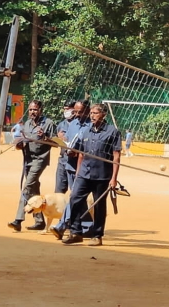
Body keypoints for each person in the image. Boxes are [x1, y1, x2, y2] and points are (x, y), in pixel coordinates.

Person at [63, 103, 121, 247]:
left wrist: (113, 179)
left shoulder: (112, 132)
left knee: (99, 205)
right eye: (91, 113)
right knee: (75, 198)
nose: (92, 116)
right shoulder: (86, 131)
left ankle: (97, 235)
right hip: (84, 173)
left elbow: (116, 156)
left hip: (102, 175)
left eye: (95, 113)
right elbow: (81, 155)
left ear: (103, 115)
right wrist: (77, 173)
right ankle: (76, 232)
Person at [8, 100, 56, 232]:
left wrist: (45, 137)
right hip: (27, 160)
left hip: (40, 160)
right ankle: (39, 220)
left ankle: (18, 219)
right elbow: (20, 141)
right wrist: (18, 144)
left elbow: (56, 143)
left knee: (27, 187)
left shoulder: (48, 124)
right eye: (30, 110)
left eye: (35, 110)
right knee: (34, 190)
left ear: (40, 110)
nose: (32, 112)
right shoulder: (27, 124)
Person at [51, 100, 93, 240]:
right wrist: (64, 144)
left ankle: (62, 225)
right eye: (75, 111)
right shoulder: (73, 123)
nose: (77, 114)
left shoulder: (91, 126)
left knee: (75, 196)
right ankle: (86, 226)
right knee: (77, 198)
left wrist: (78, 152)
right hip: (69, 164)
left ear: (87, 111)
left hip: (83, 168)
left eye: (80, 112)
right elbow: (68, 140)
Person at [54, 100, 75, 194]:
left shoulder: (79, 124)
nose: (66, 111)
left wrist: (66, 139)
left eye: (68, 109)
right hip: (63, 160)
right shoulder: (61, 125)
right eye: (64, 109)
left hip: (74, 162)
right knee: (59, 191)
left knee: (75, 192)